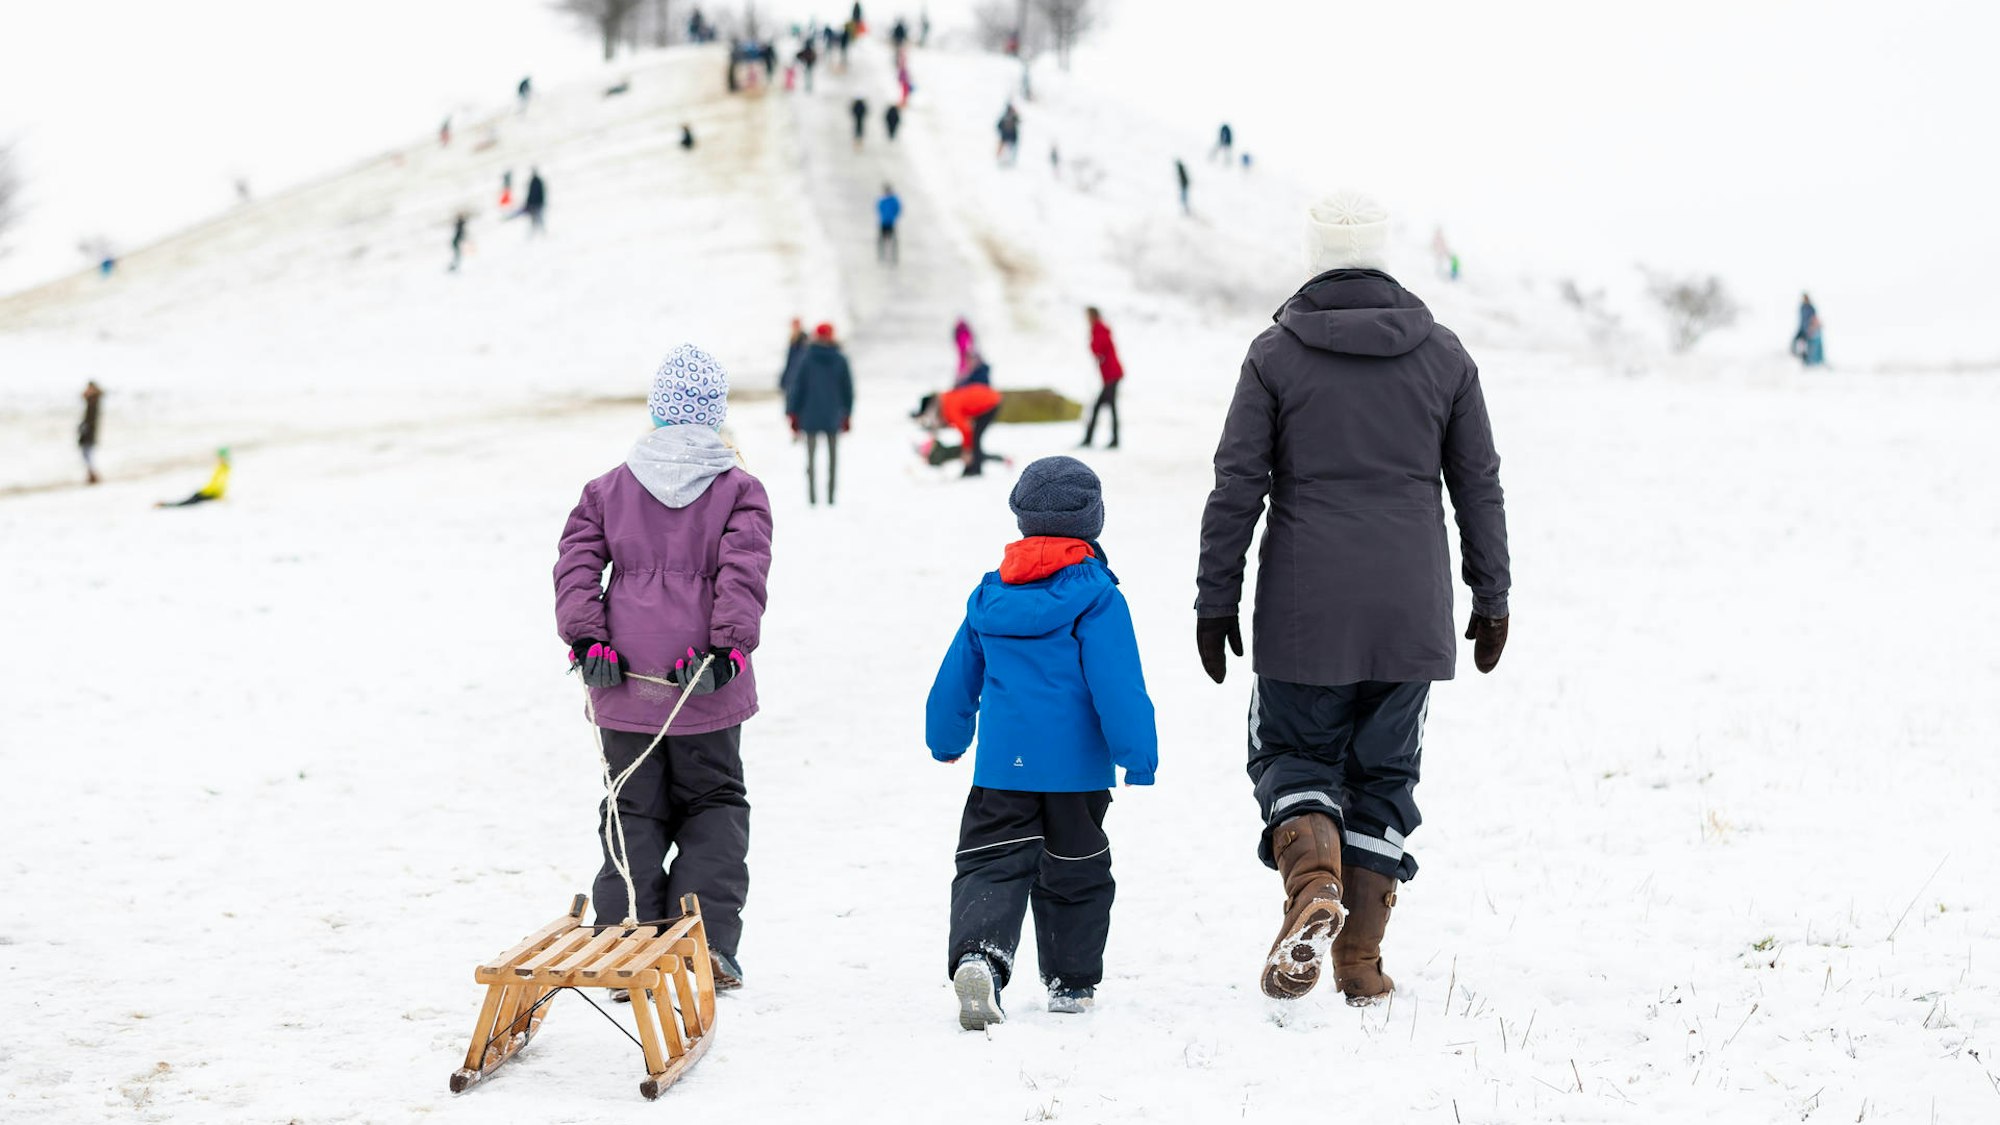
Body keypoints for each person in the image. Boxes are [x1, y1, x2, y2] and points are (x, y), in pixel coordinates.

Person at [1194, 191, 1510, 1006]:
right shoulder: (1443, 356)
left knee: (1294, 757)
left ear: (1313, 256)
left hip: (1306, 610)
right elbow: (1478, 484)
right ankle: (1361, 964)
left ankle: (1314, 891)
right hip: (1410, 612)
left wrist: (1215, 596)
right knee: (1384, 774)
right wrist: (1492, 593)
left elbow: (1238, 484)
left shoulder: (1275, 355)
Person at [555, 344, 773, 992]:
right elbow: (743, 574)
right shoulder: (740, 489)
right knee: (713, 805)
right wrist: (728, 650)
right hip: (700, 682)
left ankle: (626, 936)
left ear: (657, 411)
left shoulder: (608, 488)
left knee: (632, 807)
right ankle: (701, 944)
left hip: (623, 681)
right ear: (716, 415)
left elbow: (575, 565)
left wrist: (587, 640)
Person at [927, 456, 1158, 1029]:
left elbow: (957, 676)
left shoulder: (989, 597)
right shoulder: (1099, 597)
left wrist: (946, 736)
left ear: (1022, 519)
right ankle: (1070, 983)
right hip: (1077, 776)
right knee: (1075, 874)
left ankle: (980, 956)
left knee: (988, 865)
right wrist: (1137, 754)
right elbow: (1118, 683)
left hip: (1002, 769)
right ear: (1093, 522)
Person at [784, 324, 855, 506]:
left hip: (810, 415)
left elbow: (797, 387)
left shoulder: (806, 358)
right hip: (833, 415)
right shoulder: (840, 359)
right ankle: (831, 498)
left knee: (811, 459)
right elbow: (848, 390)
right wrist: (847, 414)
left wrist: (793, 413)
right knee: (833, 459)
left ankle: (812, 499)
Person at [1079, 307, 1123, 449]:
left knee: (1101, 407)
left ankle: (1091, 439)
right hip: (1111, 375)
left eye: (1088, 316)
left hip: (1112, 375)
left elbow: (1097, 349)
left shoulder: (1099, 329)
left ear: (1093, 316)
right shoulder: (1100, 329)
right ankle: (1110, 439)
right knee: (1108, 408)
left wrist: (1091, 340)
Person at [156, 448, 231, 508]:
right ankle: (164, 504)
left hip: (207, 494)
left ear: (223, 457)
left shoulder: (223, 468)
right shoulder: (222, 467)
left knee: (185, 503)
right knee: (186, 501)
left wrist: (219, 496)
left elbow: (220, 484)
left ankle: (164, 504)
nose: (217, 458)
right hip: (205, 492)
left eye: (219, 457)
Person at [79, 382, 103, 485]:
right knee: (87, 455)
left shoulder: (94, 401)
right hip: (88, 431)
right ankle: (92, 475)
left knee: (87, 454)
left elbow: (84, 396)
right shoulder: (93, 401)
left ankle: (93, 475)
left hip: (89, 432)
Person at [778, 318, 808, 394]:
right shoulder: (793, 341)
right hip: (791, 378)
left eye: (796, 325)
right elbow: (789, 362)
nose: (794, 328)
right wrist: (783, 380)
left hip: (798, 379)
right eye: (794, 325)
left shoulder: (804, 340)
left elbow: (799, 362)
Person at [876, 184, 903, 265]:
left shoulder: (893, 200)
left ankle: (894, 256)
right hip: (883, 222)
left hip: (891, 222)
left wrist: (893, 216)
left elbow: (898, 209)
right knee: (882, 239)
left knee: (893, 239)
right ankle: (882, 255)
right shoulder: (883, 200)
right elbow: (879, 208)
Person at [1793, 292, 1818, 363]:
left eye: (1805, 298)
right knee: (1796, 341)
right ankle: (1798, 355)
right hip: (1801, 328)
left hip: (1808, 329)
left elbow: (1813, 318)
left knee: (1806, 344)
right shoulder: (1802, 307)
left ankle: (1807, 359)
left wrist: (1811, 328)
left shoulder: (1811, 308)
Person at [521, 169, 547, 236]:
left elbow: (532, 194)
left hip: (536, 204)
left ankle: (541, 234)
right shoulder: (537, 181)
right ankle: (539, 233)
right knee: (537, 220)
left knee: (537, 219)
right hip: (537, 204)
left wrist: (529, 203)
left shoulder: (535, 182)